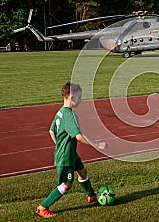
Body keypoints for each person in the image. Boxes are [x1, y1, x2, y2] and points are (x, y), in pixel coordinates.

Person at [36, 82, 107, 218]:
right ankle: (42, 207)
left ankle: (91, 196)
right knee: (67, 184)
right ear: (72, 97)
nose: (80, 100)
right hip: (66, 157)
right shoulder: (70, 115)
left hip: (70, 153)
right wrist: (97, 145)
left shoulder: (60, 112)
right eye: (79, 98)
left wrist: (59, 145)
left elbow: (51, 131)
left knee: (82, 171)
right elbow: (79, 137)